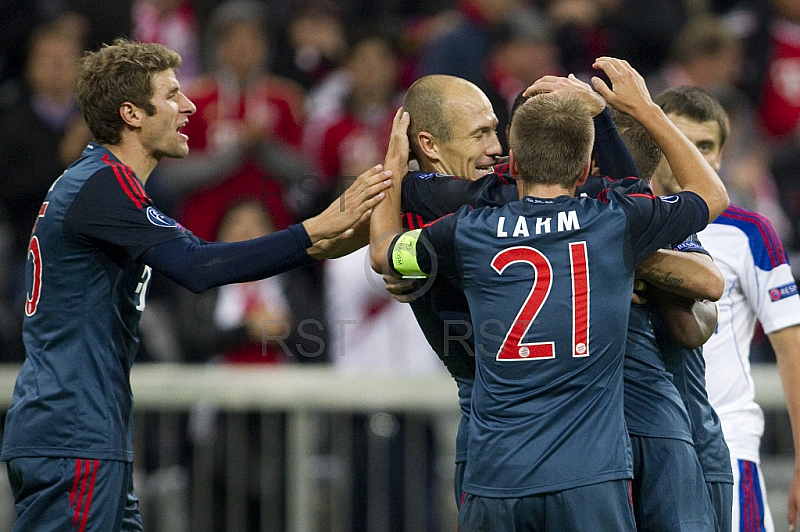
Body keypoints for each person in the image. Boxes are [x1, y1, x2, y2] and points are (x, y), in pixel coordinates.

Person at [0, 38, 389, 531]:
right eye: (172, 95)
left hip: (82, 427)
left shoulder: (104, 185)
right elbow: (199, 267)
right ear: (132, 113)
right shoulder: (106, 184)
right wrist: (312, 230)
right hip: (73, 429)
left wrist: (312, 242)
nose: (188, 107)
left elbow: (198, 258)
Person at [370, 57, 729, 530]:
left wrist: (390, 172)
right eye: (481, 134)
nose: (492, 148)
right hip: (590, 470)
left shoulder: (468, 228)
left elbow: (383, 254)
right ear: (586, 169)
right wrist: (640, 107)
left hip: (495, 467)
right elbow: (712, 205)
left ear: (513, 162)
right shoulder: (614, 219)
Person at [653, 85, 800, 532]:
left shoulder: (749, 233)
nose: (690, 156)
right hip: (644, 446)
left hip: (728, 440)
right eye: (677, 139)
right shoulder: (621, 222)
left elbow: (792, 348)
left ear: (719, 158)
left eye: (704, 146)